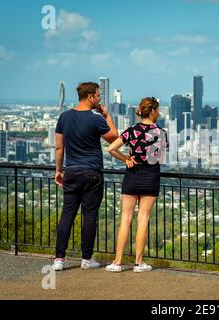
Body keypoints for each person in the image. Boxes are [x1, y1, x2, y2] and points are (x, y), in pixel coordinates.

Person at [52, 82, 127, 271]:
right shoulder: (96, 119)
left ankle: (59, 259)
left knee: (67, 214)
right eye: (99, 96)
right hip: (92, 172)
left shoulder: (64, 117)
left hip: (71, 171)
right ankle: (86, 258)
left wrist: (59, 170)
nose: (100, 99)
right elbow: (114, 137)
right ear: (91, 97)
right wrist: (107, 116)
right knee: (89, 215)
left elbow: (59, 147)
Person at [105, 97, 168, 273]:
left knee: (125, 219)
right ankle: (139, 263)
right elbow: (160, 158)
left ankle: (117, 262)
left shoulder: (131, 130)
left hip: (132, 175)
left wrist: (126, 158)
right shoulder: (161, 132)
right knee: (143, 220)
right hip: (151, 176)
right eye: (158, 110)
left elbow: (110, 149)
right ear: (153, 111)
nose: (159, 113)